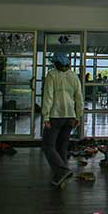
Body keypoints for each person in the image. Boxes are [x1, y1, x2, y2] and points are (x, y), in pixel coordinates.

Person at [42, 53, 84, 187]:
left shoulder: (51, 75)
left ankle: (62, 172)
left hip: (55, 115)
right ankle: (60, 177)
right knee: (62, 146)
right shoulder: (74, 76)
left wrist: (45, 115)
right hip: (70, 116)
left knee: (48, 146)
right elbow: (79, 97)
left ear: (56, 64)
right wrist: (78, 116)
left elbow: (48, 96)